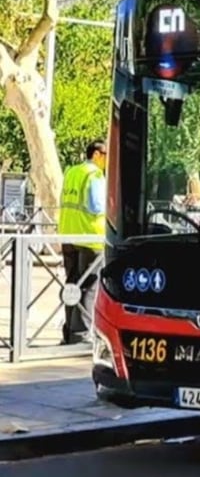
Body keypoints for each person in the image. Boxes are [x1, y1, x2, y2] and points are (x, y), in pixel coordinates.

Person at [57, 139, 107, 345]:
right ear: (96, 154)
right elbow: (97, 206)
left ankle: (69, 330)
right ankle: (83, 334)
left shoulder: (71, 172)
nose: (107, 160)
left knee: (71, 283)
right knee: (89, 286)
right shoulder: (94, 174)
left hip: (67, 234)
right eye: (105, 155)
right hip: (90, 236)